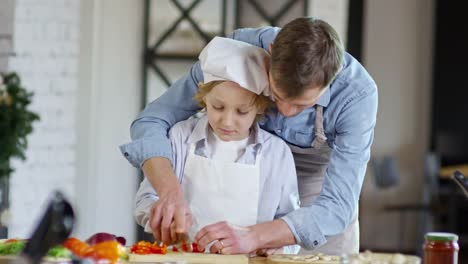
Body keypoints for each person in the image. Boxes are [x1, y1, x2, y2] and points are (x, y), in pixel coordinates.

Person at [120, 17, 378, 255]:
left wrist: (256, 237)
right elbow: (153, 119)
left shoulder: (357, 96)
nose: (286, 112)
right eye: (277, 96)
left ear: (332, 79)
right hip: (254, 174)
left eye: (302, 105)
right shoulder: (233, 52)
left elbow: (336, 208)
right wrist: (169, 192)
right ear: (272, 50)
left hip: (320, 192)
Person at [132, 37, 299, 254]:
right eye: (218, 107)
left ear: (259, 106)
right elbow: (146, 199)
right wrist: (162, 218)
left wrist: (270, 245)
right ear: (203, 98)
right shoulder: (180, 138)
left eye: (242, 111)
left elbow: (292, 229)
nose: (227, 121)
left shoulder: (276, 154)